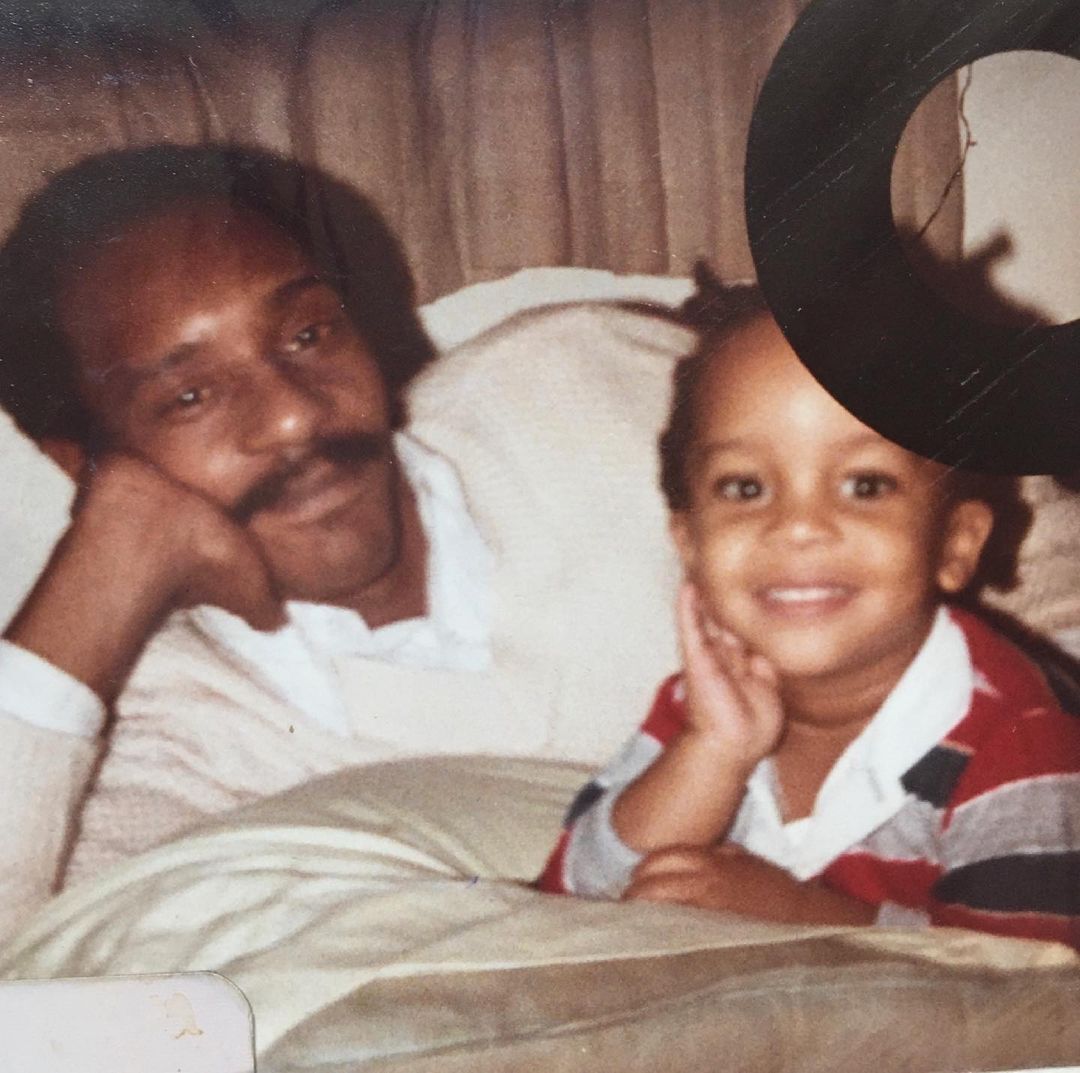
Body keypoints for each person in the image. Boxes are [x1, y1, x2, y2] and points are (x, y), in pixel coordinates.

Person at [0, 145, 687, 935]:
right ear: (86, 465)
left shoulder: (586, 380)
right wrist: (89, 595)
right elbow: (39, 984)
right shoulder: (164, 726)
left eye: (308, 334)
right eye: (190, 395)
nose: (294, 414)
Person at [538, 285, 1080, 947]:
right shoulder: (707, 702)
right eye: (746, 487)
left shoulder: (1022, 739)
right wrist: (713, 753)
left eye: (864, 484)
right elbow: (565, 899)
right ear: (689, 544)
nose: (797, 527)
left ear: (953, 545)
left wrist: (801, 915)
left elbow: (1032, 976)